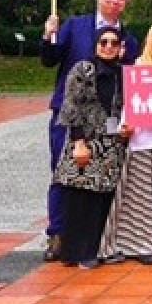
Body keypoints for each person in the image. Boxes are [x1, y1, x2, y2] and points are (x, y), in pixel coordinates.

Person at [39, 0, 139, 262]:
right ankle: (58, 234)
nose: (115, 1)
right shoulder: (75, 26)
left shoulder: (130, 39)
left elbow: (129, 79)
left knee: (102, 179)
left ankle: (96, 238)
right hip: (70, 117)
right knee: (64, 174)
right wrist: (48, 35)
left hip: (109, 124)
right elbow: (49, 59)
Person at [98, 22, 152, 265]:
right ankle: (142, 244)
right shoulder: (138, 66)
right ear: (150, 41)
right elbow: (126, 102)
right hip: (142, 139)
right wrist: (123, 127)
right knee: (140, 192)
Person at [51, 26, 130, 269]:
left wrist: (126, 128)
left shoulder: (123, 73)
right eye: (103, 42)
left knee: (103, 200)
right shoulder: (83, 69)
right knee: (81, 200)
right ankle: (77, 252)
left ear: (121, 47)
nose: (108, 47)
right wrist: (78, 143)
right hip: (86, 141)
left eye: (114, 43)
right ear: (95, 45)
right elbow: (71, 105)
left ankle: (99, 249)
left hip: (111, 143)